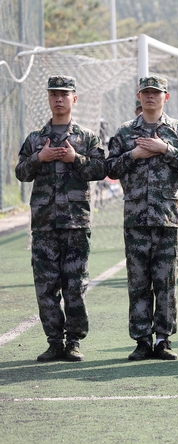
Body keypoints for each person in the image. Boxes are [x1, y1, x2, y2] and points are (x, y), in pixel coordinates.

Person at [15, 75, 106, 362]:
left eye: (64, 94)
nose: (58, 99)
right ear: (48, 98)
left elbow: (102, 169)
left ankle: (74, 341)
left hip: (76, 224)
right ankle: (54, 341)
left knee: (75, 286)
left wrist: (74, 159)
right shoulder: (34, 139)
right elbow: (21, 173)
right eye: (53, 93)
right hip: (44, 225)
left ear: (74, 99)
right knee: (46, 287)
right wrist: (39, 158)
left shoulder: (87, 137)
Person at [106, 75, 178, 361]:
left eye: (156, 93)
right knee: (138, 281)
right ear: (139, 95)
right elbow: (109, 168)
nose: (150, 97)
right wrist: (133, 153)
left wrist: (164, 149)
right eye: (145, 92)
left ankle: (163, 339)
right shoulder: (124, 132)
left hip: (167, 217)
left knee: (166, 281)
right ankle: (142, 339)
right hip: (136, 218)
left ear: (166, 97)